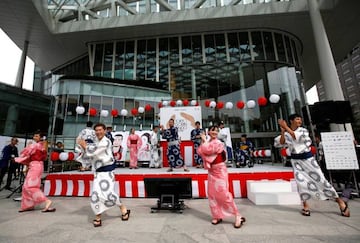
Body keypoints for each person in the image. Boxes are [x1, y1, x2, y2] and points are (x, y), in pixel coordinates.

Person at [275, 114, 350, 217]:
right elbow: (281, 142)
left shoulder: (303, 131)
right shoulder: (288, 132)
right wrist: (283, 131)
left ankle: (339, 201)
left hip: (308, 160)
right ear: (291, 121)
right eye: (297, 119)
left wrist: (286, 127)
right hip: (296, 162)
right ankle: (305, 206)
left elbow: (297, 138)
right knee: (301, 184)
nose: (299, 121)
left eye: (300, 119)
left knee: (321, 180)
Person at [78, 123, 130, 227]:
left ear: (105, 131)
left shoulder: (106, 141)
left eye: (100, 130)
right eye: (96, 130)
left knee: (109, 194)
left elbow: (94, 152)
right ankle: (98, 217)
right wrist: (82, 145)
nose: (98, 132)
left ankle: (122, 208)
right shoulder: (96, 141)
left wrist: (85, 146)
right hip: (98, 173)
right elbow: (90, 152)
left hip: (108, 172)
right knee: (95, 195)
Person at [197, 125, 245, 228]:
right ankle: (217, 215)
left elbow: (207, 150)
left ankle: (237, 215)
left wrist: (204, 141)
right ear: (208, 132)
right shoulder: (208, 142)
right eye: (212, 130)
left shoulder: (219, 143)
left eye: (216, 131)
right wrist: (204, 141)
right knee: (212, 194)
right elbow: (200, 151)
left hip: (220, 170)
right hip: (212, 171)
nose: (214, 132)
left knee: (224, 193)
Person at [14, 131, 56, 213]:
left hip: (35, 166)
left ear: (40, 138)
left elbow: (24, 153)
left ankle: (46, 201)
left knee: (30, 186)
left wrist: (17, 159)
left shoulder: (35, 145)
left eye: (36, 136)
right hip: (36, 165)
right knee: (26, 186)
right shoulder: (41, 146)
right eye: (34, 135)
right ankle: (28, 205)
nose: (34, 137)